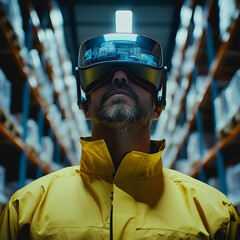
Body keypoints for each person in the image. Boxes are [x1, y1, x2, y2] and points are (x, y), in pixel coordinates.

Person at [0, 33, 239, 240]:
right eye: (102, 72)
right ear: (85, 104)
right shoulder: (26, 210)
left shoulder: (214, 214)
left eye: (138, 71)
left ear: (158, 104)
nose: (119, 78)